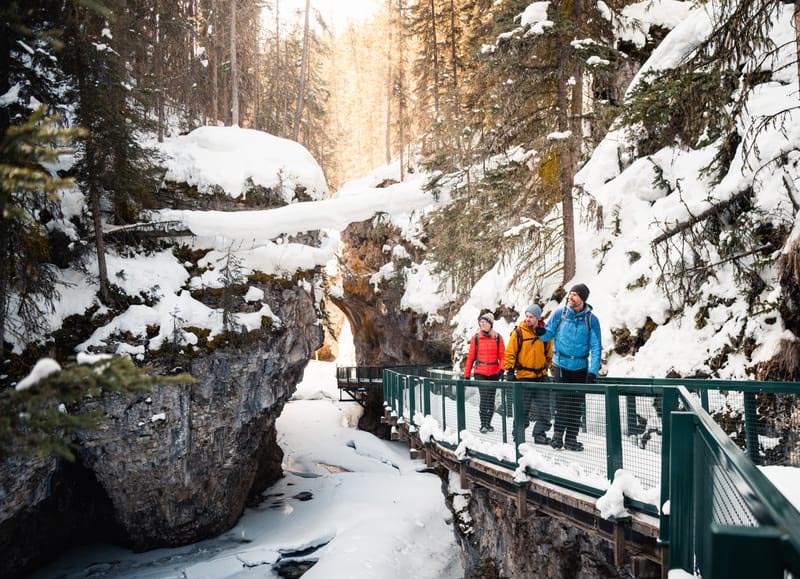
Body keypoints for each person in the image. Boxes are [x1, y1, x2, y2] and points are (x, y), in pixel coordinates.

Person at [534, 284, 601, 451]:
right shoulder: (560, 313)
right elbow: (549, 333)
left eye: (575, 295)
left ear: (582, 299)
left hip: (580, 367)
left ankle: (571, 439)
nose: (570, 297)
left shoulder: (591, 320)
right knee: (562, 402)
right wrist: (541, 333)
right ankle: (557, 437)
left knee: (575, 404)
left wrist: (592, 371)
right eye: (570, 294)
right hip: (561, 365)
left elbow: (596, 346)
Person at [503, 304, 553, 444]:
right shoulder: (518, 332)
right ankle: (518, 434)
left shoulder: (544, 333)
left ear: (538, 318)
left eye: (531, 317)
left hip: (541, 376)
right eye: (527, 316)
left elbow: (549, 353)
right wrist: (510, 371)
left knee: (544, 408)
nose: (528, 319)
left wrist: (550, 367)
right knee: (522, 409)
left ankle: (539, 434)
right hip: (523, 377)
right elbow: (510, 353)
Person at [464, 312, 505, 434]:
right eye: (481, 322)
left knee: (491, 398)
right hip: (480, 372)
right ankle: (483, 424)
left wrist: (502, 369)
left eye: (485, 322)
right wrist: (466, 374)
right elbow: (471, 357)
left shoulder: (498, 337)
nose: (482, 324)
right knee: (484, 397)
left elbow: (503, 356)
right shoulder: (476, 338)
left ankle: (488, 423)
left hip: (494, 372)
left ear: (490, 324)